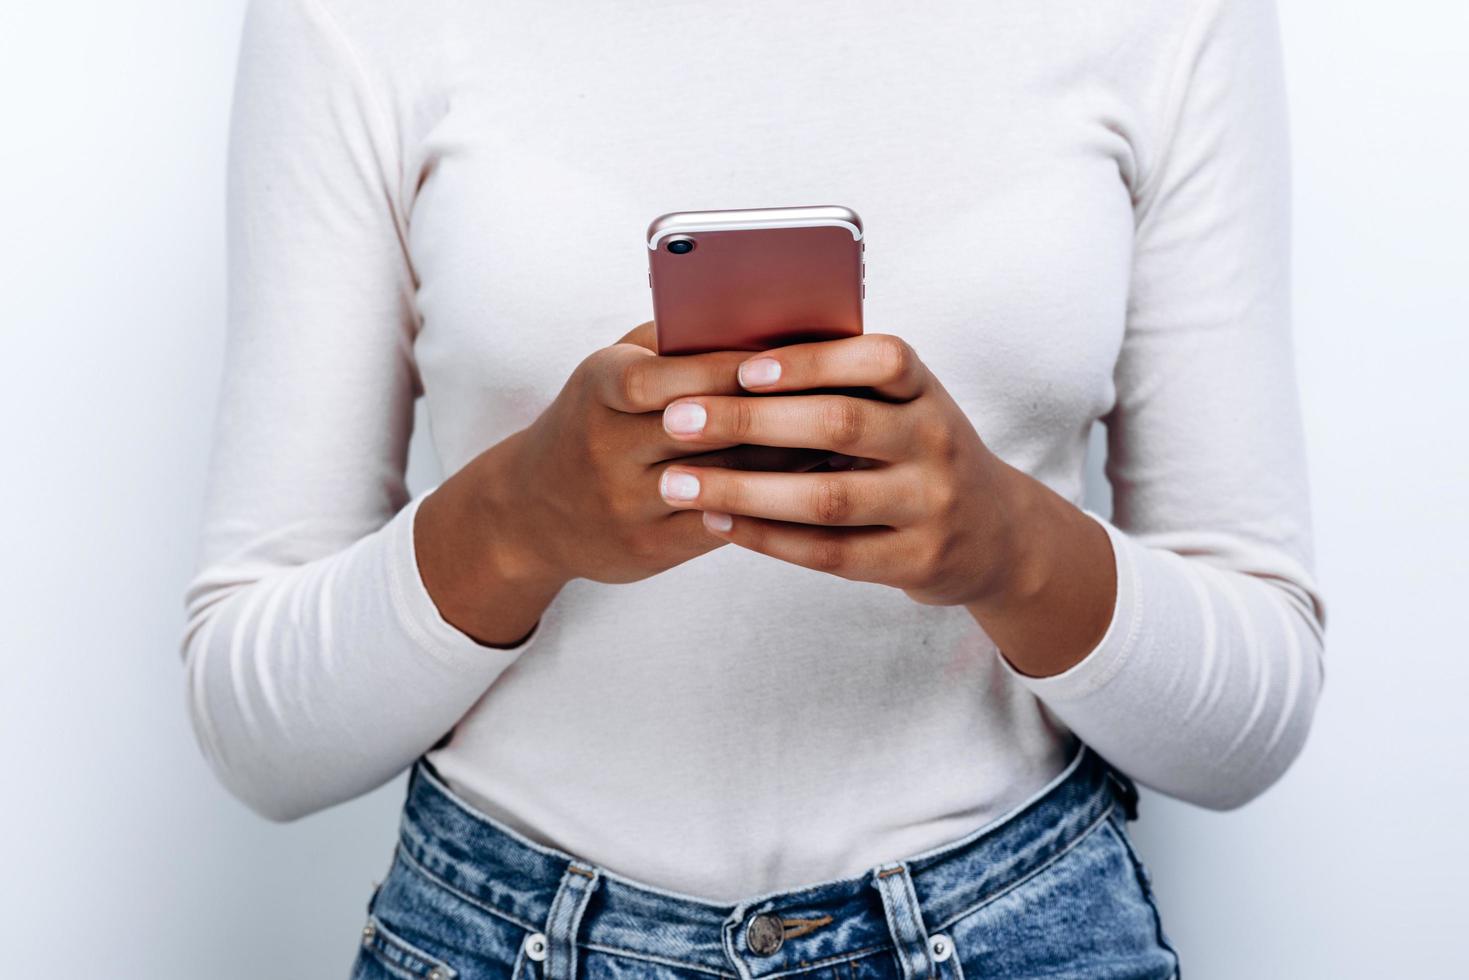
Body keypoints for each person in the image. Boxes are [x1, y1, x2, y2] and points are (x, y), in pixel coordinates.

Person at [183, 0, 1326, 976]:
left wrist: (1009, 549)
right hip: (500, 929)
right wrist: (517, 522)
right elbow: (259, 734)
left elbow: (1248, 716)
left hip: (1017, 919)